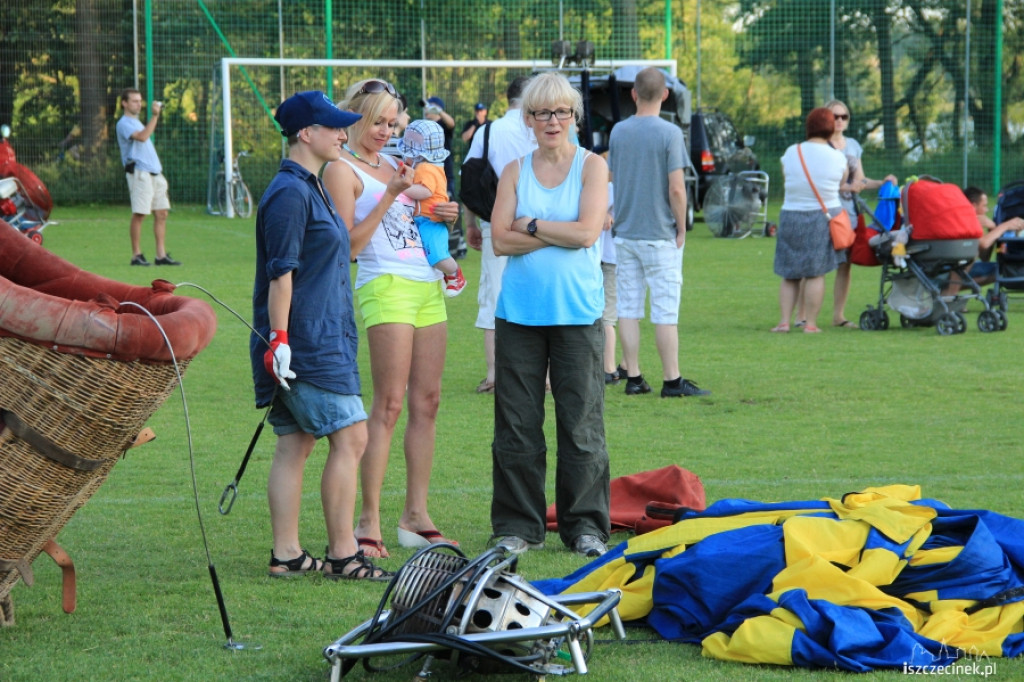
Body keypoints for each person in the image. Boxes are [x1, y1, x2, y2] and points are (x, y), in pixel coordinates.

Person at [252, 90, 389, 581]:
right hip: (306, 341)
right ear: (305, 134)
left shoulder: (308, 186)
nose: (342, 133)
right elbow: (280, 273)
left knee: (297, 441)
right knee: (352, 436)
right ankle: (344, 554)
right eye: (333, 127)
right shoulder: (290, 192)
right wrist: (281, 338)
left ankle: (287, 554)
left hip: (315, 334)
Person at [322, 79, 461, 559]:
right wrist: (390, 195)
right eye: (378, 122)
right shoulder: (341, 169)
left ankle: (415, 516)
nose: (385, 131)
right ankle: (368, 521)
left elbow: (419, 218)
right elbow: (348, 248)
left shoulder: (399, 162)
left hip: (426, 285)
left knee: (429, 401)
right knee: (389, 405)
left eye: (393, 123)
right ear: (357, 117)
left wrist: (445, 215)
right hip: (384, 286)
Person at [489, 72, 610, 558]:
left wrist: (532, 224)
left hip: (578, 314)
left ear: (573, 116)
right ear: (529, 119)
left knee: (581, 425)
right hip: (519, 314)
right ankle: (518, 526)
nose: (552, 120)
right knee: (516, 425)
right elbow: (499, 240)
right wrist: (559, 230)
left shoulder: (593, 166)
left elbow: (587, 234)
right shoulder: (515, 170)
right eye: (542, 113)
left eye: (561, 111)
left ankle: (585, 527)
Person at [607, 67, 709, 398]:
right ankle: (672, 380)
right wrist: (681, 227)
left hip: (625, 233)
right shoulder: (669, 134)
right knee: (665, 309)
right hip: (659, 234)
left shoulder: (618, 132)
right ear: (665, 95)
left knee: (628, 308)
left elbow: (612, 176)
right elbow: (677, 189)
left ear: (633, 94)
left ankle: (634, 376)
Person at [463, 76, 537, 394]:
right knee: (538, 295)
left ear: (507, 99)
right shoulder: (542, 128)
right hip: (540, 226)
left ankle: (495, 375)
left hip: (496, 222)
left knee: (494, 296)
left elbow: (470, 177)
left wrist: (471, 222)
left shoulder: (488, 130)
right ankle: (542, 374)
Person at [796, 99, 897, 328]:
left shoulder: (852, 146)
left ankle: (838, 316)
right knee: (814, 265)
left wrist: (883, 182)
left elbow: (859, 180)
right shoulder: (816, 146)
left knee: (845, 265)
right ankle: (801, 316)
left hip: (848, 214)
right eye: (835, 116)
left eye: (844, 117)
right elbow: (815, 182)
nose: (839, 121)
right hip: (824, 212)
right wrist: (846, 187)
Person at [771, 108, 847, 333]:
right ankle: (810, 324)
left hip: (791, 214)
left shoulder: (792, 152)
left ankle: (784, 321)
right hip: (822, 217)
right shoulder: (837, 157)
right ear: (831, 128)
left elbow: (788, 177)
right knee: (815, 273)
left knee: (790, 273)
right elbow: (841, 182)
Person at [398, 119, 466, 297]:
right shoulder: (430, 166)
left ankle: (454, 274)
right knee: (430, 252)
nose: (406, 157)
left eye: (408, 153)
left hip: (432, 219)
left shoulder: (426, 168)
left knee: (436, 254)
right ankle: (448, 275)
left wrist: (402, 187)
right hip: (425, 219)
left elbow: (426, 191)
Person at [115, 88, 181, 267]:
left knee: (162, 213)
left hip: (154, 173)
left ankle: (160, 255)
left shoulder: (137, 122)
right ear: (124, 103)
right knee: (140, 213)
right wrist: (155, 116)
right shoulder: (124, 123)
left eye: (139, 100)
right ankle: (136, 255)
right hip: (140, 173)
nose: (139, 104)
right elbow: (143, 137)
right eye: (134, 101)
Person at [944, 187, 1024, 293]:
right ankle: (948, 292)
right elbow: (984, 244)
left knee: (999, 269)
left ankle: (948, 292)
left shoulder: (973, 220)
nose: (987, 210)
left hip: (955, 267)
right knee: (999, 270)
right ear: (973, 206)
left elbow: (984, 257)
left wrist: (992, 229)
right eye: (984, 206)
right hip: (944, 269)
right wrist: (1004, 226)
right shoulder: (964, 220)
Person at [421, 96, 456, 198]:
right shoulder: (425, 125)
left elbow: (451, 123)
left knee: (446, 199)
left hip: (444, 169)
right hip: (428, 168)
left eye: (428, 106)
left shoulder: (444, 124)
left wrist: (439, 111)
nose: (425, 109)